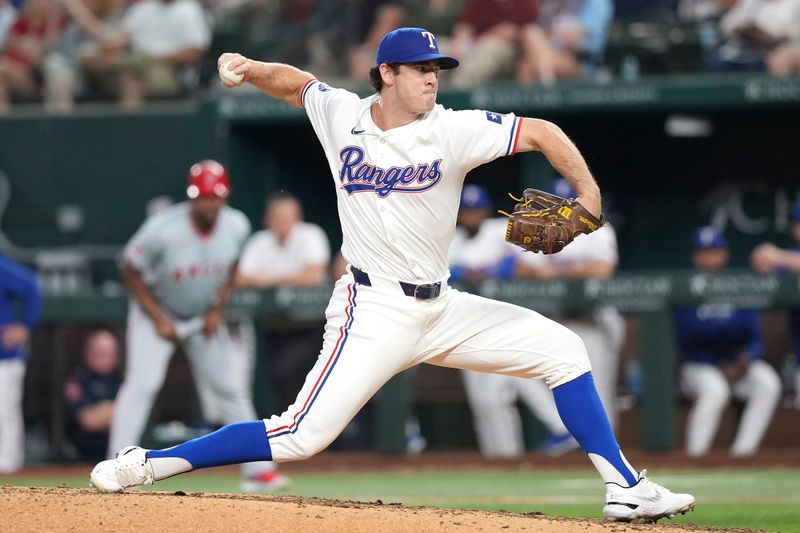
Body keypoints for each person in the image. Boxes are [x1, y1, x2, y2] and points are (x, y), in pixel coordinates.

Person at [90, 27, 695, 523]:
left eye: (437, 67)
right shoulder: (343, 116)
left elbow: (540, 132)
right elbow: (297, 85)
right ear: (387, 74)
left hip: (443, 307)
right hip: (372, 311)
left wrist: (587, 193)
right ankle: (151, 463)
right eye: (419, 67)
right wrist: (246, 66)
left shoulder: (453, 129)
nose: (433, 76)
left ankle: (624, 487)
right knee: (301, 435)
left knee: (564, 350)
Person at [106, 159, 288, 492]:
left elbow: (232, 266)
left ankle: (259, 471)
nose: (208, 202)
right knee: (142, 385)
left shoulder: (236, 225)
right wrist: (159, 318)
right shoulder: (162, 228)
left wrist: (217, 309)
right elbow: (129, 268)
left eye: (214, 196)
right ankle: (115, 468)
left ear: (224, 197)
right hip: (156, 313)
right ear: (192, 197)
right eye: (202, 196)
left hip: (201, 316)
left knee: (231, 389)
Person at [450, 184, 577, 458]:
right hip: (466, 327)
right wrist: (469, 273)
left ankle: (550, 432)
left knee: (512, 376)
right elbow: (445, 271)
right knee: (485, 400)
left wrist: (494, 270)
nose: (471, 216)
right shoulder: (452, 239)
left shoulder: (500, 230)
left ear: (484, 211)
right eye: (466, 211)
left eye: (475, 211)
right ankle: (500, 457)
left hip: (503, 321)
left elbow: (530, 266)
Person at [517, 177, 625, 431]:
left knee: (599, 386)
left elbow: (603, 269)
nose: (564, 211)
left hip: (595, 316)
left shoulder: (599, 229)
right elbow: (523, 269)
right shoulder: (540, 229)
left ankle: (609, 449)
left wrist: (555, 272)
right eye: (559, 206)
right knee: (523, 371)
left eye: (569, 205)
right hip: (556, 317)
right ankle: (564, 432)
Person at [675, 226, 781, 457]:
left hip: (735, 367)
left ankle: (742, 455)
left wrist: (747, 358)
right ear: (695, 256)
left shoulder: (738, 286)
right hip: (698, 367)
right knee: (716, 390)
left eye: (714, 252)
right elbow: (688, 337)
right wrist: (718, 357)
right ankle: (695, 457)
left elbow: (753, 334)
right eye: (703, 252)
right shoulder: (685, 286)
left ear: (724, 254)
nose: (709, 258)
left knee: (768, 383)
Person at [231, 191, 331, 413]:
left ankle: (308, 424)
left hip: (312, 326)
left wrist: (267, 280)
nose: (283, 222)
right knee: (278, 377)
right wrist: (289, 279)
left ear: (299, 218)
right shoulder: (260, 241)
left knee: (291, 372)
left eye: (288, 216)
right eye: (277, 216)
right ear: (267, 219)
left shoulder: (311, 235)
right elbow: (240, 278)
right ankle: (294, 430)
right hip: (275, 327)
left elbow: (313, 276)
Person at [750, 202, 800, 408]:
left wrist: (778, 256)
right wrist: (763, 258)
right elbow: (764, 266)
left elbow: (778, 257)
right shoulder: (788, 258)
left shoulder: (785, 257)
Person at [0, 253, 42, 473]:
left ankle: (8, 466)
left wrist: (25, 325)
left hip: (4, 358)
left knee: (4, 411)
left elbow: (32, 286)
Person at [64, 329, 123, 461]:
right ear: (88, 355)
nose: (105, 359)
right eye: (99, 354)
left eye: (109, 354)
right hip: (81, 454)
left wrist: (106, 412)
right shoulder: (79, 378)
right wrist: (114, 412)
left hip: (115, 454)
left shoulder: (121, 381)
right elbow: (87, 420)